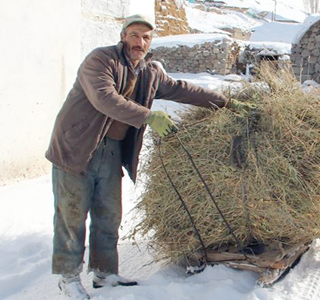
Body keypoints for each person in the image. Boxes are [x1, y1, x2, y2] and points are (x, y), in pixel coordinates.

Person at [45, 14, 251, 299]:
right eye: (134, 35)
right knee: (72, 215)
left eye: (145, 37)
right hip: (76, 147)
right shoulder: (101, 61)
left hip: (111, 151)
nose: (139, 42)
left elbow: (182, 89)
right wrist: (149, 116)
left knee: (109, 215)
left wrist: (225, 102)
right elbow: (104, 98)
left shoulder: (148, 71)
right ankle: (68, 278)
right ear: (123, 36)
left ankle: (105, 274)